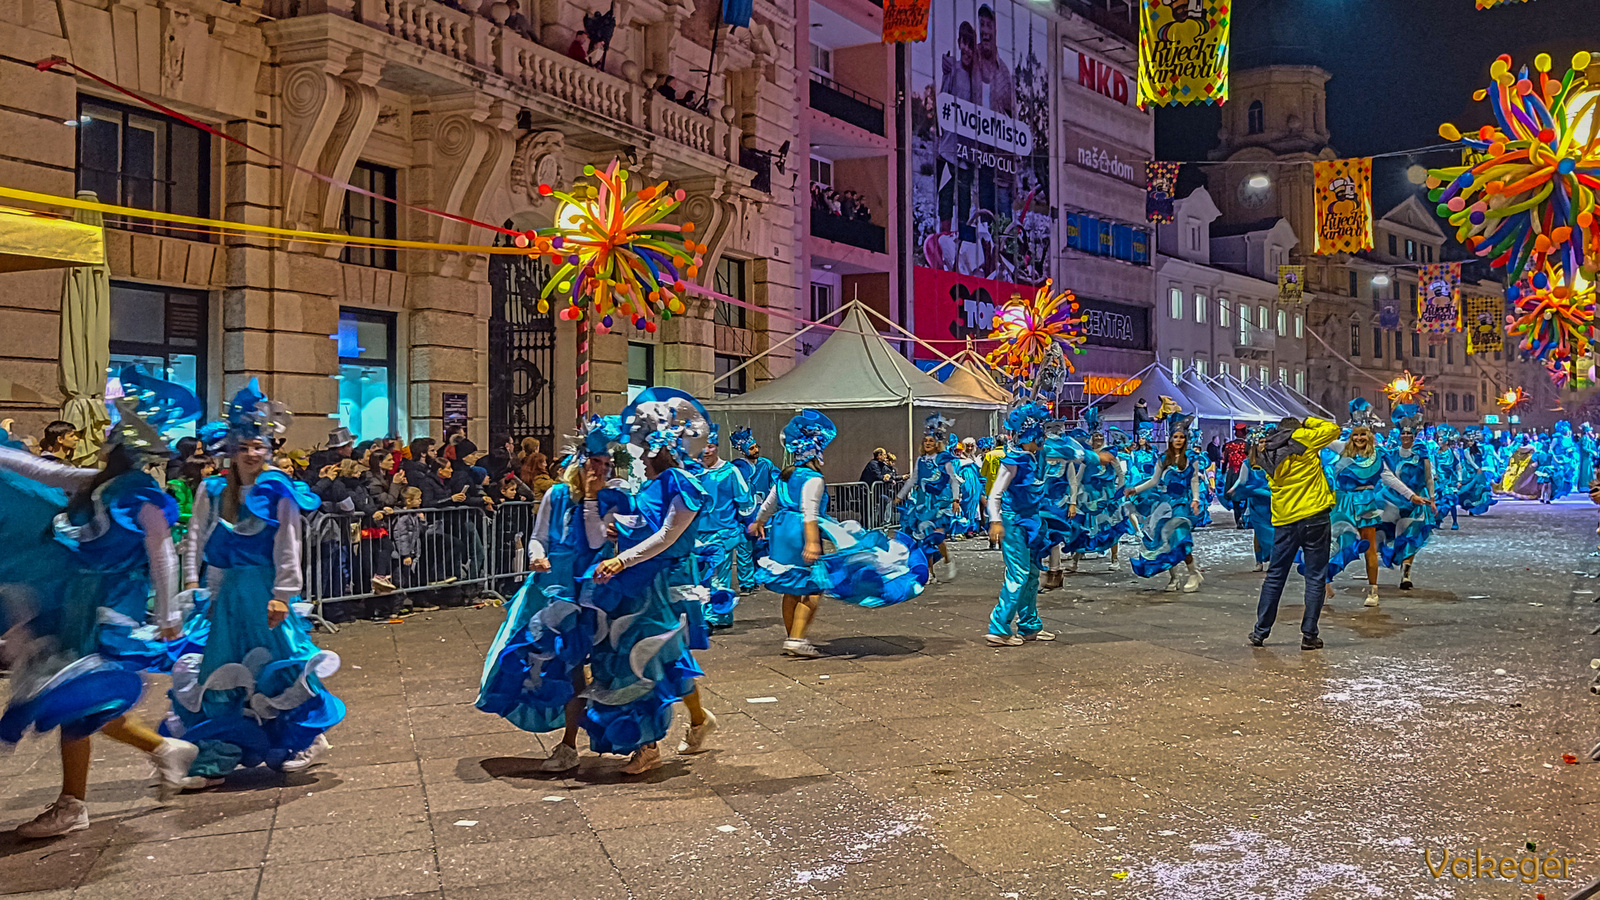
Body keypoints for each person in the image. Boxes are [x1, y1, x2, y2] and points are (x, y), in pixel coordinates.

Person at [0, 399, 200, 838]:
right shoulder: (94, 483)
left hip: (111, 604)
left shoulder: (142, 495)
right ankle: (163, 750)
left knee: (79, 695)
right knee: (79, 700)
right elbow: (41, 471)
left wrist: (168, 614)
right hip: (81, 598)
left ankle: (75, 803)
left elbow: (161, 552)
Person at [170, 380, 342, 785]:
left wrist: (283, 594)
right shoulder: (213, 489)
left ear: (269, 448)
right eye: (244, 445)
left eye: (258, 446)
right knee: (220, 666)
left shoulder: (276, 486)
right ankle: (221, 751)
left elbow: (288, 542)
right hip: (227, 593)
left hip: (265, 589)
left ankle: (307, 737)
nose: (251, 453)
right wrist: (197, 587)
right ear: (231, 448)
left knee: (282, 661)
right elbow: (197, 537)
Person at [477, 416, 620, 772]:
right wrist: (536, 556)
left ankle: (617, 738)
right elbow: (538, 535)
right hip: (554, 592)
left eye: (606, 464)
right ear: (581, 462)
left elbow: (596, 540)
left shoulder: (610, 499)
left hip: (592, 595)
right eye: (595, 463)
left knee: (605, 667)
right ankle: (568, 744)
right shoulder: (556, 495)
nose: (600, 470)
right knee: (561, 666)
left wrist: (592, 499)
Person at [591, 388, 717, 773]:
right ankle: (697, 721)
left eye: (643, 446)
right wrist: (618, 533)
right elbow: (645, 525)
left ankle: (648, 744)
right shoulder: (649, 484)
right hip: (637, 581)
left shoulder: (681, 482)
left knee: (645, 658)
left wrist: (621, 559)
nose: (639, 454)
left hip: (663, 582)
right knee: (668, 658)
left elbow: (667, 535)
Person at [750, 411, 921, 659]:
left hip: (780, 529)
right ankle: (797, 639)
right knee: (813, 587)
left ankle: (792, 637)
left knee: (791, 587)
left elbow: (769, 504)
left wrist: (758, 522)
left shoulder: (784, 476)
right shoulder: (814, 479)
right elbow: (809, 512)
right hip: (799, 531)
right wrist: (811, 541)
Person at [1247, 414, 1342, 650]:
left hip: (1285, 518)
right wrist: (1308, 421)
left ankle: (1260, 631)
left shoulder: (1266, 448)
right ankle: (1309, 634)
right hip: (1314, 515)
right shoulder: (1304, 437)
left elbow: (1255, 465)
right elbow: (1333, 429)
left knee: (1275, 575)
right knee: (1315, 577)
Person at [985, 401, 1052, 646]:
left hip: (1031, 522)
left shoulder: (1032, 457)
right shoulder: (1013, 460)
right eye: (1039, 434)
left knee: (1033, 573)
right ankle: (999, 626)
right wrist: (996, 521)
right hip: (1013, 523)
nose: (1043, 438)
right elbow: (995, 494)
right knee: (1019, 573)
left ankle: (1029, 625)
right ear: (1029, 436)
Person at [1126, 413, 1205, 593]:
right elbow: (1154, 481)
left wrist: (1195, 499)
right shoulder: (1163, 458)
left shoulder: (1191, 458)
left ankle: (1193, 573)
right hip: (1165, 504)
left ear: (1185, 439)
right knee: (1165, 540)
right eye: (1175, 437)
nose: (1178, 440)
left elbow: (1194, 480)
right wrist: (1135, 490)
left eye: (1181, 437)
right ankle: (1174, 577)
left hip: (1182, 504)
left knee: (1180, 538)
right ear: (1170, 439)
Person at [692, 425, 752, 629]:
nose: (706, 451)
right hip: (697, 534)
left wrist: (745, 523)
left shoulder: (730, 472)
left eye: (710, 446)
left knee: (719, 576)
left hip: (722, 533)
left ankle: (716, 616)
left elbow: (745, 500)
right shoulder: (693, 471)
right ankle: (706, 615)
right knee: (699, 576)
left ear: (717, 447)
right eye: (703, 446)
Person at [897, 414, 961, 582]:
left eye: (931, 441)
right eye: (925, 441)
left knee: (936, 537)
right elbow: (913, 479)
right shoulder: (920, 460)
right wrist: (900, 496)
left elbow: (953, 480)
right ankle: (930, 572)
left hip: (939, 503)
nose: (927, 444)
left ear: (937, 443)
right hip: (922, 503)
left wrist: (955, 500)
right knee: (924, 538)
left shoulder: (943, 460)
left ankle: (948, 559)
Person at [1379, 405, 1437, 591]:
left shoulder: (1422, 455)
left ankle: (1406, 574)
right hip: (1393, 500)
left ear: (1413, 436)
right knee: (1389, 536)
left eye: (1409, 435)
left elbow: (1428, 478)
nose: (1405, 437)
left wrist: (1433, 498)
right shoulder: (1390, 455)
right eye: (1403, 435)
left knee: (1410, 536)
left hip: (1417, 501)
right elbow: (1386, 477)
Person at [729, 427, 778, 593]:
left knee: (761, 546)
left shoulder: (766, 464)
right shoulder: (737, 469)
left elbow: (778, 481)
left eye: (756, 446)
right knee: (744, 548)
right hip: (743, 514)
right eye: (751, 448)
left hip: (762, 512)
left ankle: (759, 577)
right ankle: (746, 583)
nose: (756, 450)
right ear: (743, 451)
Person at [1229, 427, 1275, 572]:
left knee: (1274, 531)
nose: (1264, 444)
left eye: (1265, 442)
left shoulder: (1274, 460)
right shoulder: (1248, 463)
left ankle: (1273, 559)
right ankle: (1259, 560)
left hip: (1273, 501)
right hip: (1257, 503)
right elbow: (1242, 480)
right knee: (1259, 531)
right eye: (1261, 442)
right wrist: (1234, 488)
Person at [1221, 423, 1252, 528]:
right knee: (1246, 495)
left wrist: (1222, 473)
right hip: (1245, 471)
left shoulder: (1228, 445)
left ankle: (1237, 518)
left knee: (1235, 497)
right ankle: (1244, 517)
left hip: (1232, 472)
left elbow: (1224, 461)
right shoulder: (1248, 445)